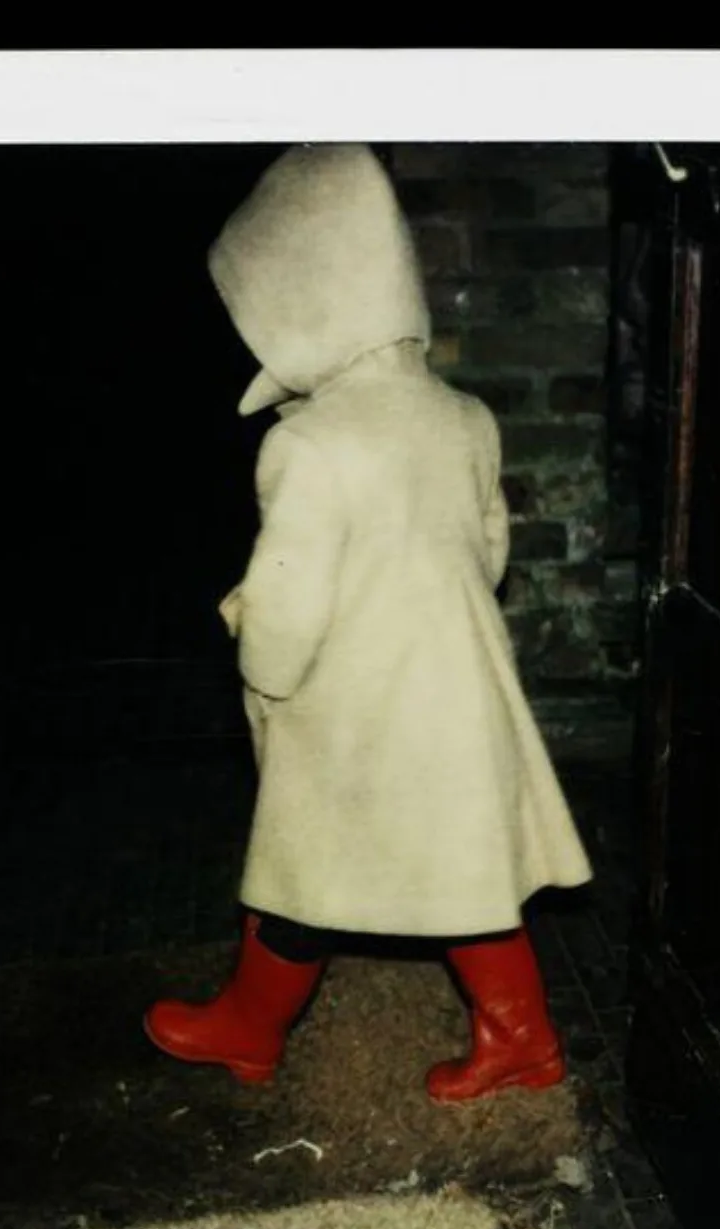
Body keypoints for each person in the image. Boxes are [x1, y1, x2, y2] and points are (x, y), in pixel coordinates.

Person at [144, 143, 593, 1104]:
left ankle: (250, 1026)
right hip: (456, 688)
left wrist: (262, 669)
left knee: (306, 858)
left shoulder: (308, 443)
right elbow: (491, 553)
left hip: (360, 704)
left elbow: (290, 604)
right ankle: (521, 1035)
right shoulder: (465, 417)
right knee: (459, 860)